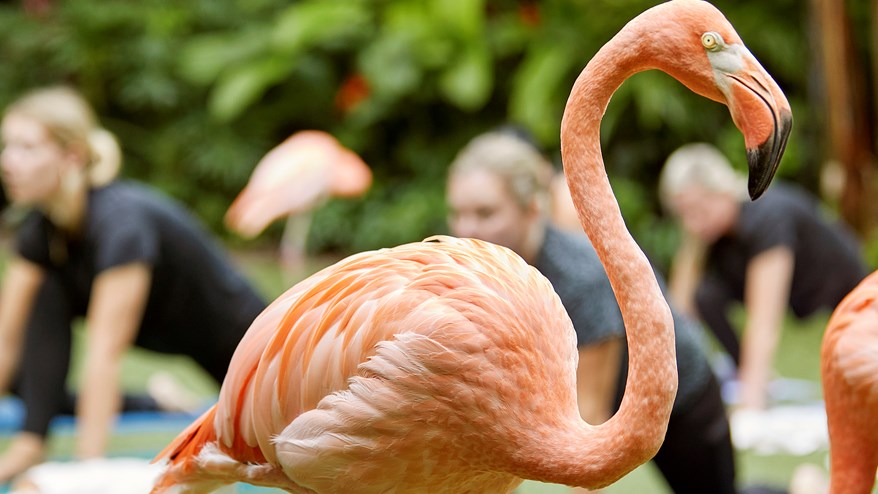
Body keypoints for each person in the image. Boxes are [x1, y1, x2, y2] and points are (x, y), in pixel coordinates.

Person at [445, 131, 740, 494]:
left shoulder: (579, 280)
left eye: (485, 213)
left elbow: (589, 422)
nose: (467, 230)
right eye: (458, 213)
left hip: (684, 402)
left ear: (532, 209)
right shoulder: (486, 276)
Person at [0, 86, 267, 482]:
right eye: (6, 146)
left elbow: (104, 358)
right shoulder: (41, 233)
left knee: (277, 448)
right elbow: (6, 343)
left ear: (71, 155)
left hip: (245, 345)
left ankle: (136, 425)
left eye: (25, 148)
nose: (7, 162)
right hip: (178, 340)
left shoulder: (121, 223)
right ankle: (30, 442)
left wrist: (86, 475)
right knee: (41, 308)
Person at [659, 143, 869, 411]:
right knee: (706, 295)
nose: (691, 224)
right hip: (795, 287)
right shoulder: (713, 234)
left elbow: (764, 321)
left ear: (722, 191)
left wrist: (752, 404)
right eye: (683, 215)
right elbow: (681, 310)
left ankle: (754, 383)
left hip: (845, 287)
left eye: (699, 210)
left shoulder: (767, 217)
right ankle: (743, 374)